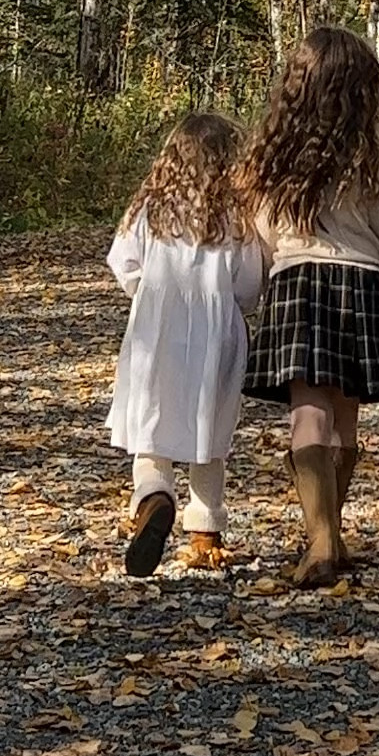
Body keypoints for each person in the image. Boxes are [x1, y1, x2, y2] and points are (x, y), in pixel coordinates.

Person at [241, 26, 379, 591]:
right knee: (345, 415)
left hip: (300, 281)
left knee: (309, 413)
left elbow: (265, 231)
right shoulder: (368, 151)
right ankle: (331, 534)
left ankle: (321, 538)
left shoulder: (274, 151)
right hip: (365, 285)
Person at [105, 112, 268, 580]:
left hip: (157, 332)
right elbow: (249, 286)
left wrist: (150, 296)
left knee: (152, 428)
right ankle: (205, 533)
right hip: (217, 334)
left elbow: (124, 265)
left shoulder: (150, 209)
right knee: (209, 435)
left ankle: (154, 497)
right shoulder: (237, 217)